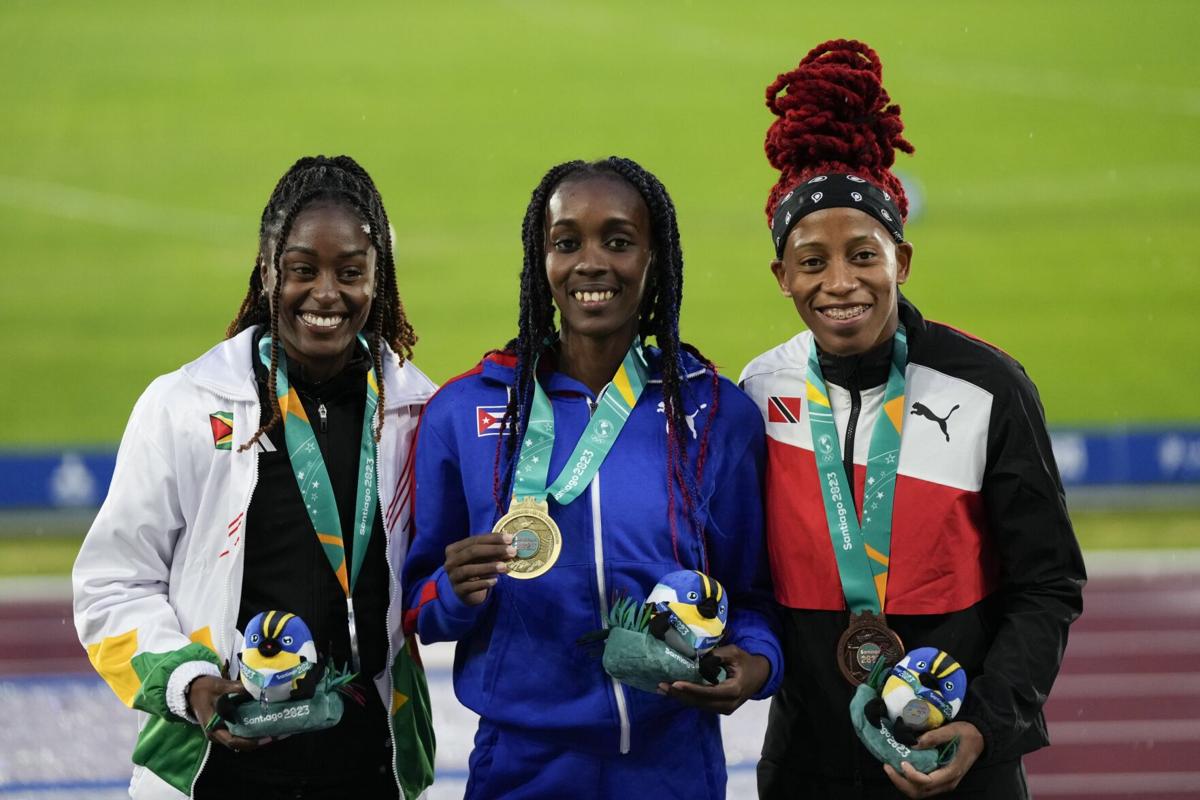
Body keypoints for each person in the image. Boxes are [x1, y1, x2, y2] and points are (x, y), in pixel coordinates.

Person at [739, 40, 1086, 798]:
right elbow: (747, 574)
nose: (840, 283)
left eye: (863, 255)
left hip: (959, 766)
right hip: (807, 769)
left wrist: (988, 724)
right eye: (812, 261)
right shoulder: (760, 391)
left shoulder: (990, 387)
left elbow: (1048, 583)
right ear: (781, 276)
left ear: (902, 259)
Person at [402, 156, 782, 798]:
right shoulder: (463, 413)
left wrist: (756, 663)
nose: (591, 264)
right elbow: (417, 604)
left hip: (674, 764)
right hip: (522, 764)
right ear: (540, 259)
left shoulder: (717, 413)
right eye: (566, 242)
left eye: (618, 241)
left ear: (653, 257)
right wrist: (453, 592)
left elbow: (754, 595)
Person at [73, 155, 437, 799]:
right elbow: (110, 586)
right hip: (216, 763)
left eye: (351, 272)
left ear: (378, 280)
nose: (326, 294)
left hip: (368, 764)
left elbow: (434, 583)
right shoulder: (185, 405)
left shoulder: (418, 414)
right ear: (269, 271)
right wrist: (193, 687)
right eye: (302, 270)